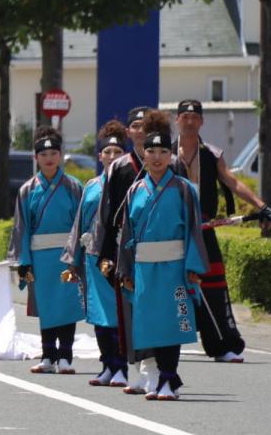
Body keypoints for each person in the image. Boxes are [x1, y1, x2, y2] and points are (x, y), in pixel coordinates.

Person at [91, 108, 188, 394]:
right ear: (129, 131)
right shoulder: (119, 168)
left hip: (168, 255)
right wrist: (107, 253)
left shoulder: (175, 169)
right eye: (135, 125)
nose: (140, 130)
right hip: (131, 251)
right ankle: (143, 369)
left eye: (145, 126)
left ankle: (163, 372)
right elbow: (107, 215)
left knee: (165, 313)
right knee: (133, 313)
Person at [174, 99, 271, 363]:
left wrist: (261, 204)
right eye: (184, 116)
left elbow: (231, 181)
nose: (189, 121)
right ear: (177, 120)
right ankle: (154, 347)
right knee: (166, 286)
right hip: (171, 230)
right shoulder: (164, 153)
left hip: (203, 228)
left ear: (201, 121)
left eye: (194, 117)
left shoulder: (211, 153)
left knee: (213, 286)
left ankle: (222, 345)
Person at [117, 128, 208, 401]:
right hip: (144, 268)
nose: (157, 157)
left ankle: (169, 379)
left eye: (163, 152)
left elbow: (194, 230)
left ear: (171, 155)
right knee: (150, 323)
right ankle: (164, 379)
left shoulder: (184, 189)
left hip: (175, 268)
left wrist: (193, 267)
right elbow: (127, 233)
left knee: (173, 321)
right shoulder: (135, 190)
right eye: (151, 151)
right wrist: (126, 269)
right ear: (143, 154)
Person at [8, 132, 84, 374]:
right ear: (36, 157)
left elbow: (81, 224)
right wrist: (23, 261)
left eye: (53, 153)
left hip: (66, 255)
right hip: (40, 256)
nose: (49, 158)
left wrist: (77, 257)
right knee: (46, 304)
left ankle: (66, 356)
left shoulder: (74, 186)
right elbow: (21, 227)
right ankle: (48, 354)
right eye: (44, 154)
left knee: (67, 304)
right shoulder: (27, 190)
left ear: (60, 155)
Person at [62, 122, 129, 387]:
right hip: (92, 257)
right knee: (98, 316)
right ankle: (107, 365)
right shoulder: (91, 185)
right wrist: (73, 259)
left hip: (115, 256)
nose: (111, 156)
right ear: (99, 156)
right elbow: (79, 223)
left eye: (117, 151)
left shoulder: (129, 184)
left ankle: (122, 366)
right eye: (107, 152)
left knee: (117, 315)